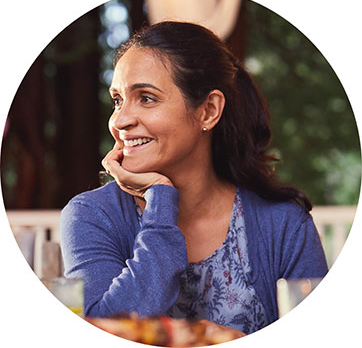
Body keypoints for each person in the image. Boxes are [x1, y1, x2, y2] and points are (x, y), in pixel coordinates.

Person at [60, 21, 328, 335]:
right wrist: (160, 201)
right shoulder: (91, 216)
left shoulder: (283, 225)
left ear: (208, 111)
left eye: (146, 98)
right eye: (118, 99)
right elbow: (103, 332)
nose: (120, 120)